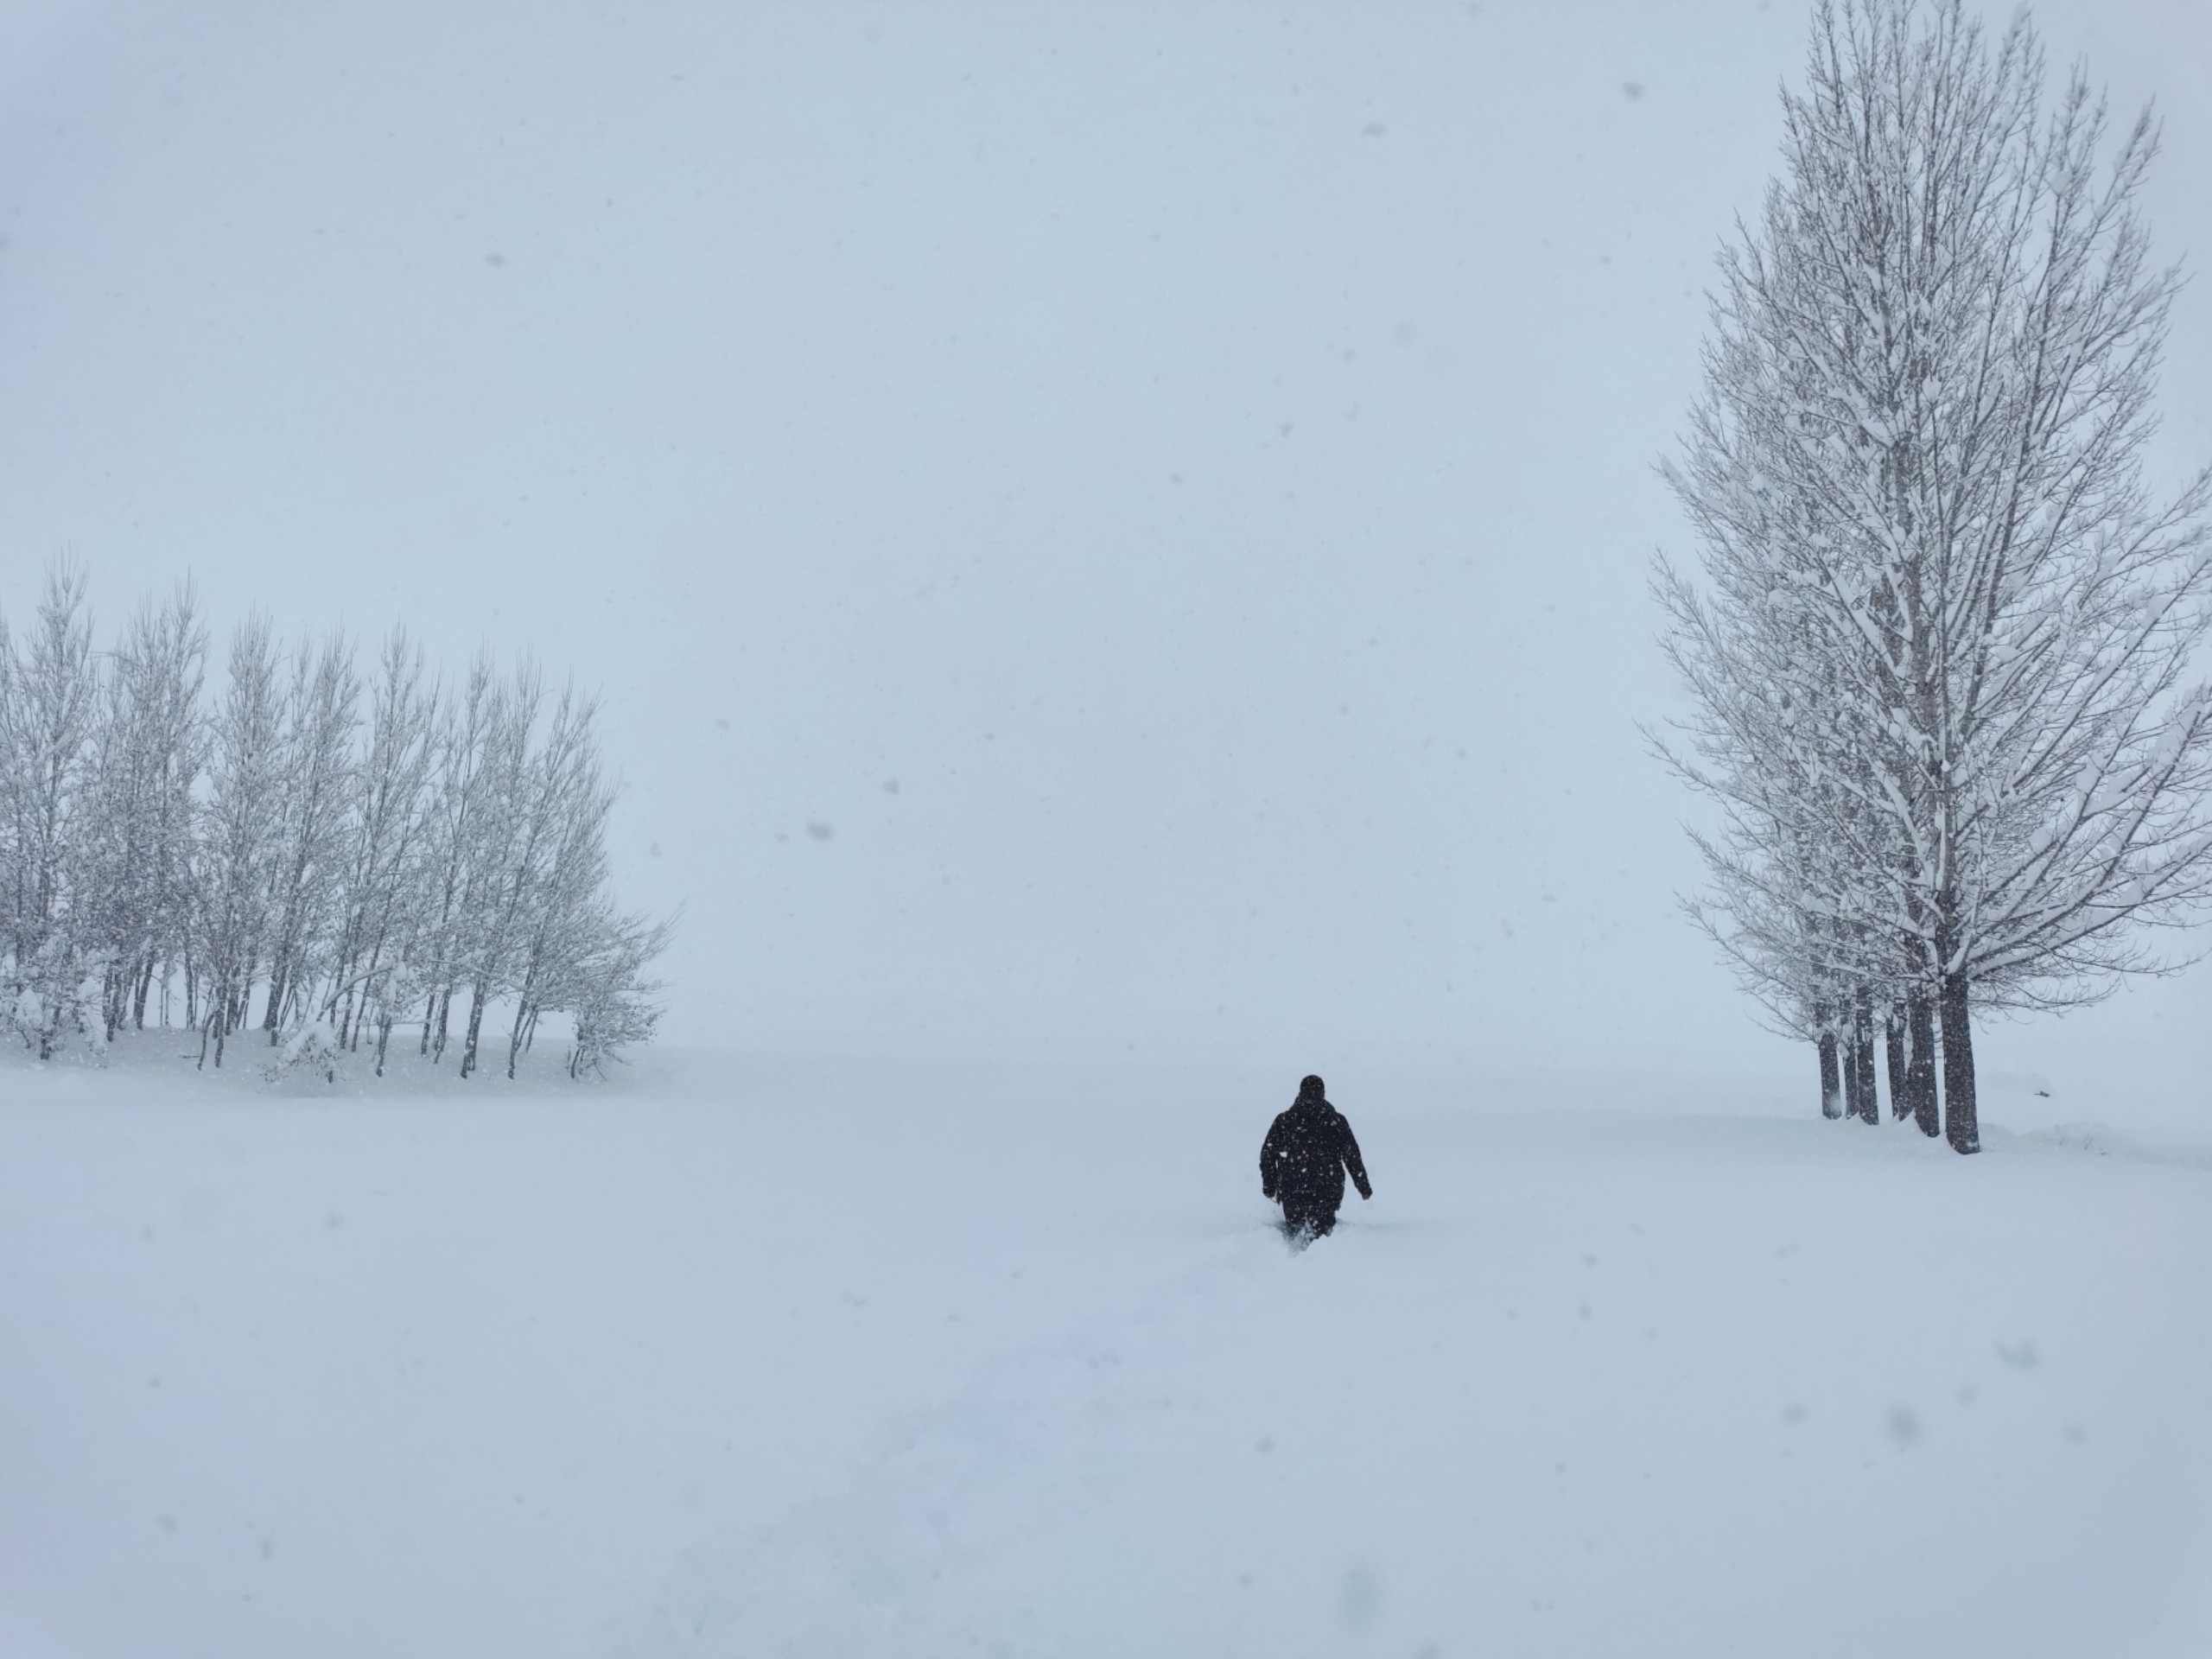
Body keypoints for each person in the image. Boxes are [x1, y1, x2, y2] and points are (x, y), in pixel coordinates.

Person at [1259, 1074, 1371, 1243]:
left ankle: (1290, 1255)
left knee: (1295, 1226)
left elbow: (1268, 1154)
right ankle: (1318, 1257)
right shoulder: (1336, 1121)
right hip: (1327, 1190)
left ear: (1300, 1092)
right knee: (1322, 1231)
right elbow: (1352, 1156)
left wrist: (1270, 1186)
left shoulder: (1284, 1120)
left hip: (1292, 1189)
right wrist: (1363, 1187)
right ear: (1323, 1093)